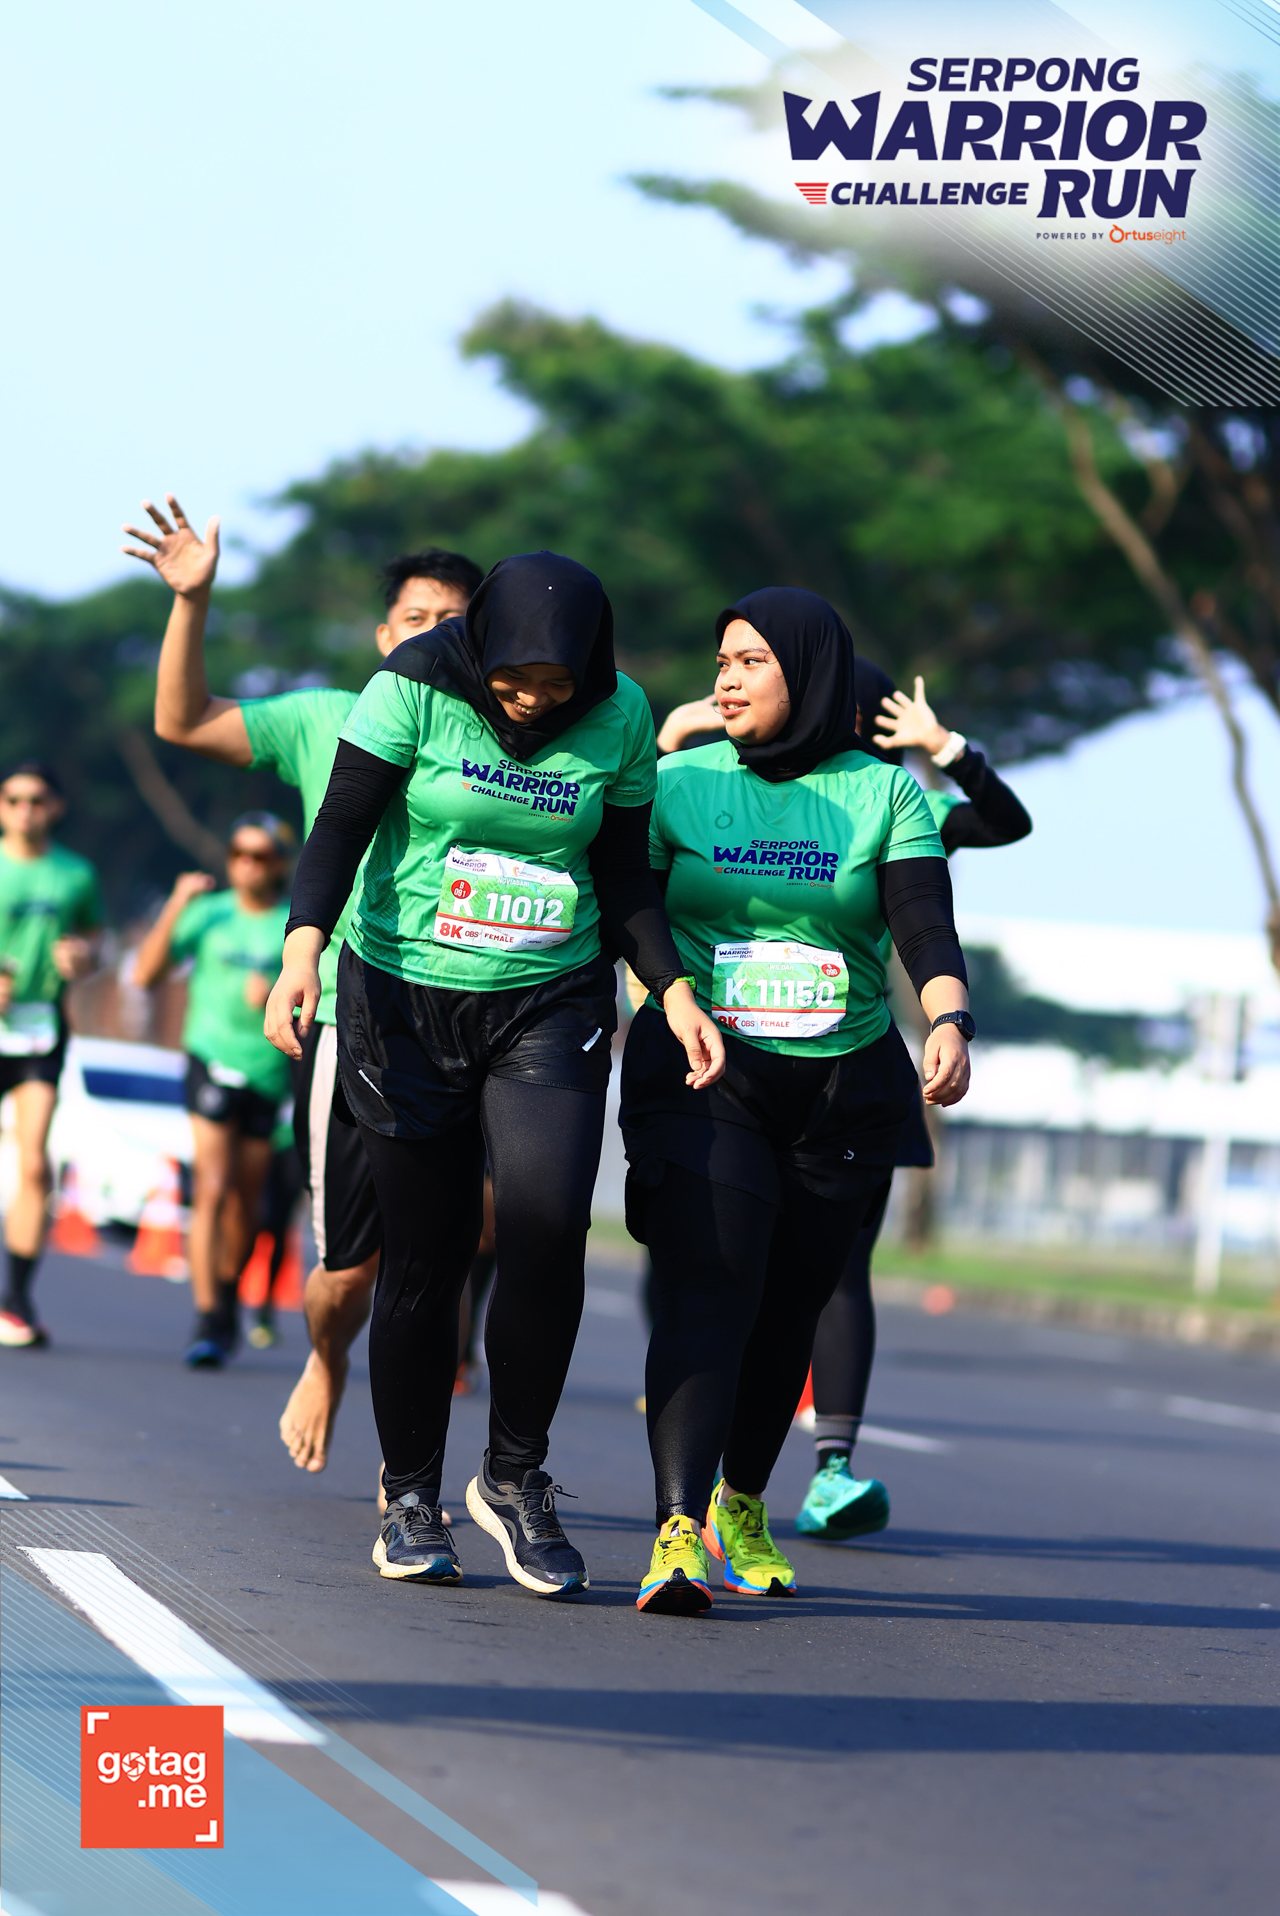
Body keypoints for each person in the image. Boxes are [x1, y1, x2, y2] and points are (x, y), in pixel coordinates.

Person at [265, 550, 723, 1594]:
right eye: (513, 681)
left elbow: (622, 872)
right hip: (403, 994)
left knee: (548, 1226)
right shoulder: (411, 686)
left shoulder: (619, 714)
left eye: (554, 685)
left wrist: (671, 987)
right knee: (424, 1255)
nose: (529, 701)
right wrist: (301, 949)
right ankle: (410, 1496)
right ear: (479, 651)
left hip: (549, 997)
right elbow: (339, 828)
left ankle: (513, 1477)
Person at [621, 589, 972, 1617]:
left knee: (789, 1305)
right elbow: (633, 909)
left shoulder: (883, 793)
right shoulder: (677, 782)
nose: (725, 680)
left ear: (810, 673)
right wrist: (667, 994)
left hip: (839, 1081)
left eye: (751, 662)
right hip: (705, 1069)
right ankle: (676, 1528)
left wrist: (949, 1019)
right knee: (711, 1282)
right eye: (720, 661)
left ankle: (740, 1500)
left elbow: (923, 922)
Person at [125, 496, 481, 1462]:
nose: (433, 634)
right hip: (349, 1009)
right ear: (384, 637)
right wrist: (192, 600)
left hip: (475, 1012)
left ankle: (416, 1470)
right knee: (349, 1273)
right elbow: (183, 720)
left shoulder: (508, 740)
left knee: (448, 1250)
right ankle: (326, 1357)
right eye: (415, 618)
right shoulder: (328, 717)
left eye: (454, 621)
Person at [796, 669, 1030, 1543]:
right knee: (729, 1267)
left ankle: (832, 1473)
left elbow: (1007, 823)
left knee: (840, 1273)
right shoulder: (739, 788)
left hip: (856, 1065)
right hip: (741, 1067)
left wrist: (950, 750)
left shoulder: (907, 806)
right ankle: (703, 1475)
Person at [133, 814, 294, 1366]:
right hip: (210, 1059)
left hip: (267, 1072)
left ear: (280, 864)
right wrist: (176, 905)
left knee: (245, 1203)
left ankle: (227, 1295)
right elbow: (145, 976)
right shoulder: (209, 913)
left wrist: (277, 993)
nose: (247, 865)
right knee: (213, 1187)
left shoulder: (294, 924)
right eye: (238, 854)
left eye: (260, 856)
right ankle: (206, 1313)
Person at [0, 762, 102, 1347]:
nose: (25, 810)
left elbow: (95, 938)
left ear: (56, 807)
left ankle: (15, 1300)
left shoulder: (76, 874)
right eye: (13, 799)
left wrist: (83, 956)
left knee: (34, 1164)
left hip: (39, 1028)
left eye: (36, 800)